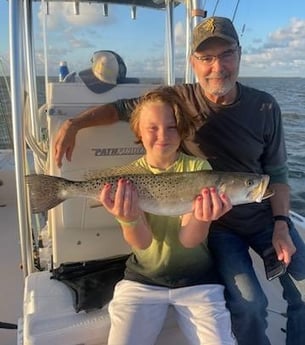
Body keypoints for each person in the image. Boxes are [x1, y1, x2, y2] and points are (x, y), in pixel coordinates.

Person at [54, 16, 305, 345]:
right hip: (216, 223)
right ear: (193, 62)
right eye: (206, 58)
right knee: (251, 304)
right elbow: (121, 109)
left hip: (262, 214)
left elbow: (279, 174)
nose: (217, 67)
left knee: (303, 290)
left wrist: (281, 224)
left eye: (226, 54)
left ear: (240, 55)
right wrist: (74, 123)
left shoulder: (265, 106)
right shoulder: (177, 102)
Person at [99, 87, 235, 345]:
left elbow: (189, 240)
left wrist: (204, 217)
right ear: (138, 130)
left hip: (197, 281)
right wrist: (129, 218)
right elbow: (141, 243)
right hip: (143, 280)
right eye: (153, 128)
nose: (163, 135)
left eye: (172, 127)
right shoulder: (127, 178)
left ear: (182, 130)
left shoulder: (199, 170)